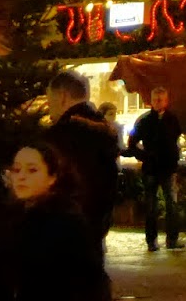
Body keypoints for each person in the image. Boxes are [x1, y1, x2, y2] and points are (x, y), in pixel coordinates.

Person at [3, 140, 110, 301]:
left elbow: (86, 282)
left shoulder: (64, 223)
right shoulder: (14, 217)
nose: (21, 177)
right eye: (16, 170)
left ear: (52, 177)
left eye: (32, 170)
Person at [46, 70, 120, 247]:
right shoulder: (106, 129)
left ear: (62, 96)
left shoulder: (61, 135)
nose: (49, 109)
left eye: (49, 102)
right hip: (97, 221)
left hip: (67, 225)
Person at [128, 85, 182, 252]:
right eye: (156, 99)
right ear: (151, 101)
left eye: (161, 99)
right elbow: (133, 142)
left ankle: (172, 238)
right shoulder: (145, 121)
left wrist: (173, 158)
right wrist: (144, 156)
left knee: (171, 204)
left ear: (166, 101)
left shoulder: (172, 119)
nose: (158, 102)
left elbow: (175, 140)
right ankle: (152, 240)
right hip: (152, 168)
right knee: (151, 206)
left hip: (167, 168)